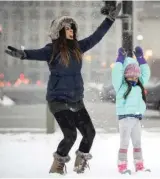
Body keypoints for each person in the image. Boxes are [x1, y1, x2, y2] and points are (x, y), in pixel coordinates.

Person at [5, 3, 121, 175]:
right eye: (67, 28)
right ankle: (57, 166)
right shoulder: (51, 50)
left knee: (89, 133)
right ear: (59, 31)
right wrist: (24, 54)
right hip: (58, 100)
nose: (71, 30)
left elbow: (97, 36)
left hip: (76, 99)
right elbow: (35, 53)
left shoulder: (78, 48)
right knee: (70, 135)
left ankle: (79, 165)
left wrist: (110, 20)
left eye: (72, 28)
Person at [112, 46, 151, 174]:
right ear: (126, 76)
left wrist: (141, 59)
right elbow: (116, 73)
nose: (134, 79)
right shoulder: (121, 86)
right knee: (124, 143)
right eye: (131, 77)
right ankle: (122, 166)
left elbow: (146, 73)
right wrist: (120, 59)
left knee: (137, 143)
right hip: (125, 119)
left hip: (136, 119)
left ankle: (139, 165)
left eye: (136, 77)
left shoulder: (139, 85)